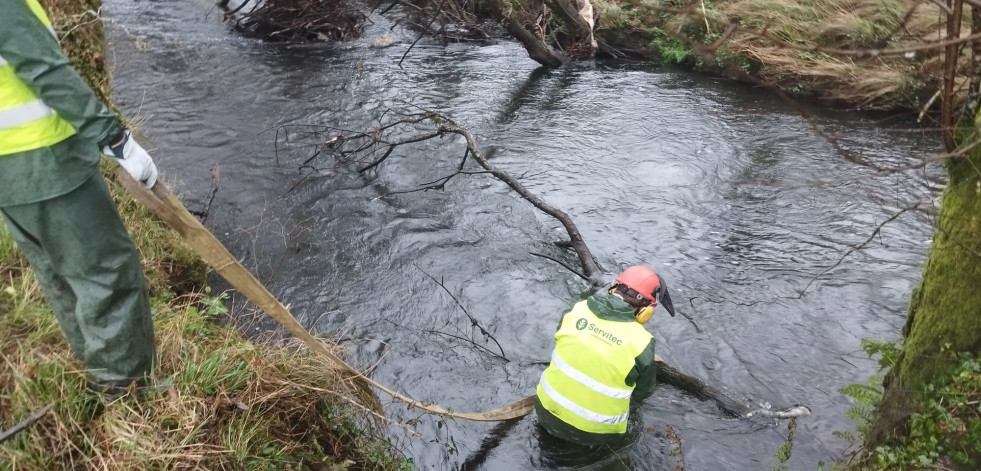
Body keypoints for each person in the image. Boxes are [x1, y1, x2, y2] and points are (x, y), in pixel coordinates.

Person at [1, 0, 160, 394]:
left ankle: (102, 370)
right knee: (106, 274)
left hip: (9, 174)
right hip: (46, 164)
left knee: (61, 275)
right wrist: (115, 138)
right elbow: (45, 70)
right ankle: (126, 391)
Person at [535, 265, 676, 446]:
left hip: (544, 411)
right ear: (645, 310)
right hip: (595, 435)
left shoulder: (577, 309)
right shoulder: (642, 342)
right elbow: (643, 392)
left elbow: (561, 339)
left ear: (614, 288)